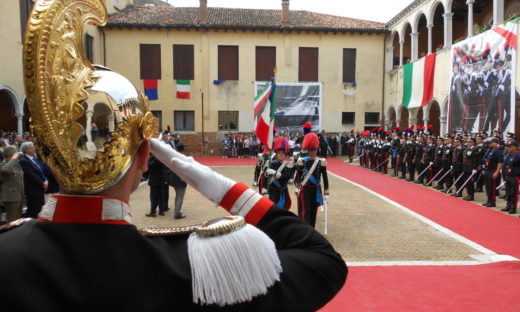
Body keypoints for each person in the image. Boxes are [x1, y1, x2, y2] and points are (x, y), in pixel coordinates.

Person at [0, 2, 346, 309]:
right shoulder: (196, 268)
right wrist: (214, 184)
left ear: (44, 147)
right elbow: (324, 262)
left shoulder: (8, 251)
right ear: (143, 156)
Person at [294, 133, 329, 228]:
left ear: (317, 149)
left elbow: (325, 178)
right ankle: (306, 231)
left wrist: (326, 193)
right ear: (307, 149)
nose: (312, 152)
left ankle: (311, 230)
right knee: (306, 211)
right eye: (310, 150)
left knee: (314, 212)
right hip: (305, 190)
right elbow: (297, 177)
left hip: (316, 190)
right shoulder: (302, 161)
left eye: (314, 149)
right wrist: (297, 187)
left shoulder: (321, 162)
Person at [19, 141, 48, 218]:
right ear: (26, 150)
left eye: (33, 147)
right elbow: (31, 174)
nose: (34, 149)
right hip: (33, 189)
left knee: (39, 208)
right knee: (33, 209)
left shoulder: (34, 159)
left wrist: (46, 180)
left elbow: (41, 170)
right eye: (31, 148)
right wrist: (42, 183)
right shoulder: (24, 161)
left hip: (40, 187)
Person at [264, 137, 294, 210]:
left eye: (283, 153)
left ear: (286, 155)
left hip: (282, 192)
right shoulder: (271, 163)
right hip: (272, 192)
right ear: (276, 154)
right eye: (279, 153)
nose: (280, 155)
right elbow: (264, 178)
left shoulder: (288, 165)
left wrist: (275, 173)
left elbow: (286, 178)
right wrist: (265, 192)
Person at [0, 146, 24, 222]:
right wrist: (13, 159)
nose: (17, 157)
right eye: (14, 155)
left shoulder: (16, 165)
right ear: (9, 155)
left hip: (19, 196)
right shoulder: (3, 165)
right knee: (11, 221)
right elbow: (5, 170)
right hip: (11, 198)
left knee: (18, 221)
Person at [482, 138, 503, 207]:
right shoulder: (489, 150)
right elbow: (485, 160)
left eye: (491, 143)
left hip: (493, 170)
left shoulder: (498, 151)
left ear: (496, 143)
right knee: (487, 187)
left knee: (492, 187)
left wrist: (497, 172)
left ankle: (492, 202)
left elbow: (500, 162)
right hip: (487, 170)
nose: (489, 144)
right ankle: (488, 200)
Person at [501, 142, 519, 214]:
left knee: (513, 193)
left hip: (514, 176)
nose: (508, 148)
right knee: (508, 192)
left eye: (509, 147)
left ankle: (513, 208)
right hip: (508, 176)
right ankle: (508, 206)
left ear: (514, 147)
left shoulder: (518, 155)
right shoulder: (508, 155)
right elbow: (505, 165)